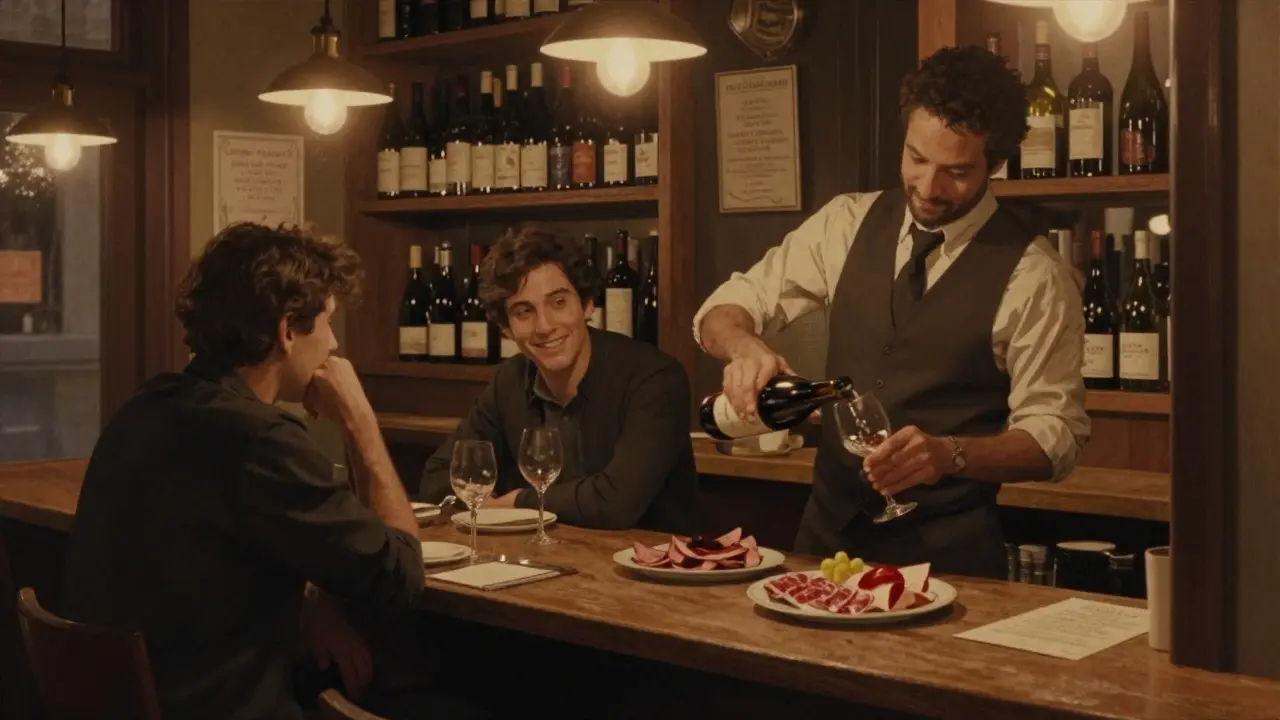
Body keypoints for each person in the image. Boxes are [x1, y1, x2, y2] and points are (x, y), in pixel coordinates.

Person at [693, 45, 1091, 579]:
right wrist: (745, 346)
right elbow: (726, 306)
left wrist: (950, 455)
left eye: (956, 171)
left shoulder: (1035, 275)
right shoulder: (846, 222)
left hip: (951, 564)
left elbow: (1054, 437)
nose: (928, 188)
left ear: (995, 164)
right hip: (824, 546)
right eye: (916, 158)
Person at [60, 223, 472, 719]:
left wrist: (307, 597)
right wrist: (360, 421)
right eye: (325, 323)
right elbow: (401, 577)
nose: (334, 344)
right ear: (286, 331)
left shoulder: (147, 407)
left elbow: (216, 555)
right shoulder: (259, 440)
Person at [418, 227, 698, 534]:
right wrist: (479, 505)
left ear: (588, 304)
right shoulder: (509, 381)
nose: (544, 326)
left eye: (559, 302)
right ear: (506, 329)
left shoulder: (654, 379)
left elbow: (615, 504)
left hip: (649, 570)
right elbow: (439, 476)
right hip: (538, 565)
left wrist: (516, 504)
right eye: (524, 311)